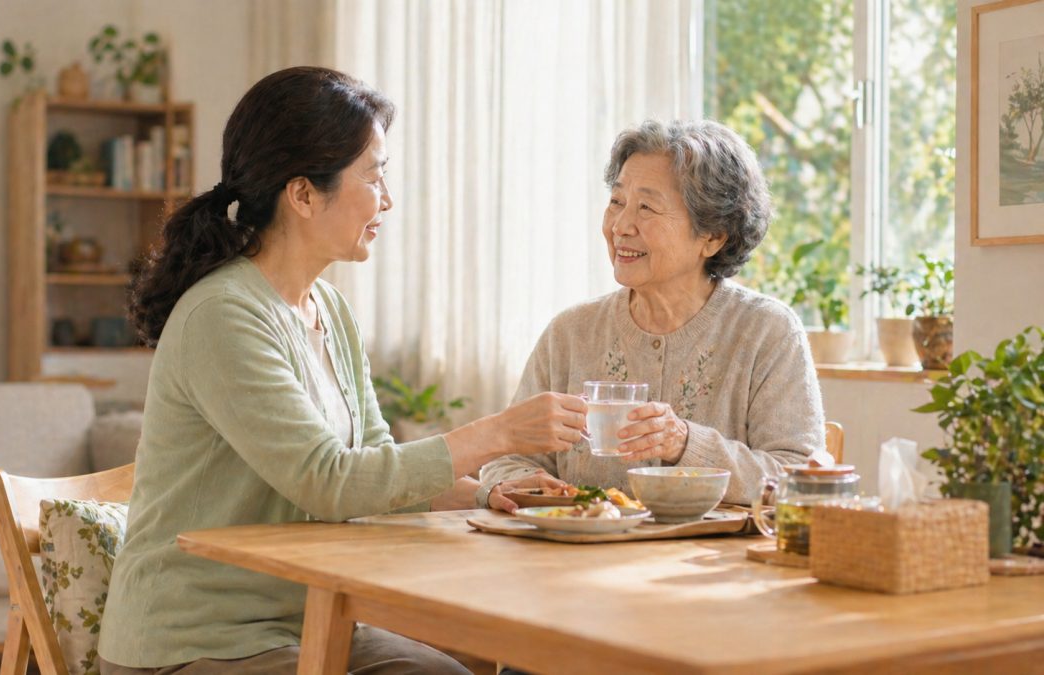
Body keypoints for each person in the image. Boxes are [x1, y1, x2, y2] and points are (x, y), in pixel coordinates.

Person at [98, 66, 583, 674]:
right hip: (196, 640)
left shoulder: (328, 308)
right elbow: (328, 483)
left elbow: (377, 466)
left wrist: (487, 493)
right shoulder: (223, 316)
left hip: (302, 623)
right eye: (374, 176)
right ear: (302, 194)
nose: (387, 199)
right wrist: (500, 434)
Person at [480, 119, 826, 510]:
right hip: (580, 562)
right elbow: (507, 458)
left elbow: (801, 478)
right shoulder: (571, 333)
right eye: (616, 201)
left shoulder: (767, 332)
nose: (621, 226)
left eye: (647, 207)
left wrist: (685, 444)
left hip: (715, 569)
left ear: (713, 236)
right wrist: (523, 485)